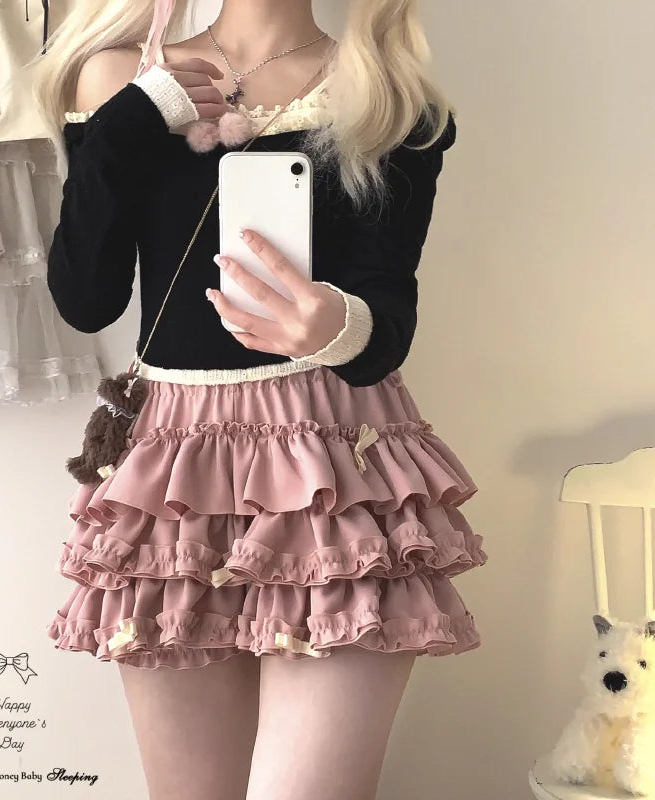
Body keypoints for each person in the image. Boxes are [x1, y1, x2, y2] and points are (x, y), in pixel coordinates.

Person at [35, 1, 487, 798]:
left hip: (336, 468)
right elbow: (86, 299)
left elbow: (388, 317)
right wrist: (136, 116)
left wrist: (333, 324)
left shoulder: (386, 91)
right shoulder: (121, 76)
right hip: (176, 474)